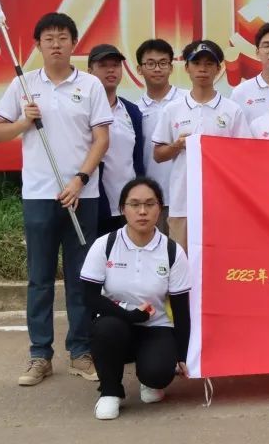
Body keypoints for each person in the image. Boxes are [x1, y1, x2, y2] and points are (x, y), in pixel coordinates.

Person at [0, 11, 111, 386]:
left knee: (81, 278)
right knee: (40, 279)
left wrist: (80, 179)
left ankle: (80, 351)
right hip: (39, 195)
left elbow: (102, 139)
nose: (56, 44)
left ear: (74, 43)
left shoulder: (90, 85)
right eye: (49, 39)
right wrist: (24, 122)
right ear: (38, 45)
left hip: (82, 196)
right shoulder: (23, 85)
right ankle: (40, 355)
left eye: (63, 38)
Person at [80, 177, 191, 420]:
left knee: (158, 374)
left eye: (150, 204)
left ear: (159, 208)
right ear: (123, 209)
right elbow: (88, 297)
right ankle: (111, 391)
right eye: (134, 204)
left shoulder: (173, 251)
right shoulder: (105, 245)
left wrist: (183, 355)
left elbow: (182, 308)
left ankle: (149, 380)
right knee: (106, 329)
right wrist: (128, 315)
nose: (142, 211)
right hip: (117, 323)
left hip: (156, 326)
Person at [152, 40, 251, 250]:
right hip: (183, 203)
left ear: (219, 68)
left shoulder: (232, 110)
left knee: (221, 258)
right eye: (196, 63)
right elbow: (158, 154)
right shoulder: (173, 109)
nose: (203, 69)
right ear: (187, 68)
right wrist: (177, 145)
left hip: (222, 203)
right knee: (181, 261)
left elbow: (245, 156)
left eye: (209, 64)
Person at [88, 44, 145, 236]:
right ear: (90, 71)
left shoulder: (132, 111)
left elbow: (137, 158)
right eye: (103, 65)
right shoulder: (82, 110)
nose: (111, 70)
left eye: (115, 65)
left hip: (129, 205)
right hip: (95, 203)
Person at [134, 39, 187, 229]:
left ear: (171, 68)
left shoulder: (187, 100)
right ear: (139, 69)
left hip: (186, 196)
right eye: (150, 63)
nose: (157, 69)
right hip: (151, 198)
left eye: (163, 63)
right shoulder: (135, 110)